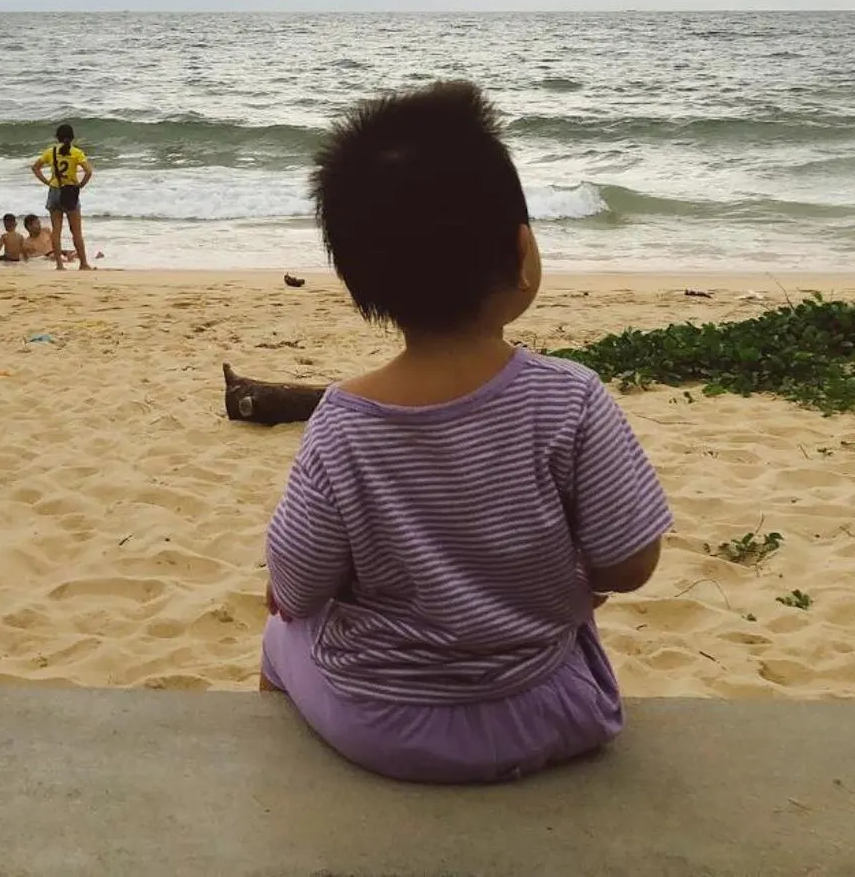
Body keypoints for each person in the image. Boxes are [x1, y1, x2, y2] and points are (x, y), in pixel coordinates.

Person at [261, 81, 672, 785]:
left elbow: (296, 587)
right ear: (522, 253)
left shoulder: (343, 424)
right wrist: (576, 585)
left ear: (361, 282)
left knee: (279, 637)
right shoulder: (570, 397)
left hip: (386, 728)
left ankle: (293, 789)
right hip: (554, 708)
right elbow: (631, 564)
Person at [30, 123, 93, 271]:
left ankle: (59, 264)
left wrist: (47, 182)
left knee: (56, 230)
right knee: (76, 231)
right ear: (72, 138)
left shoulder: (50, 152)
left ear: (57, 137)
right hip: (70, 192)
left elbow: (35, 167)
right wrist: (80, 185)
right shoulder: (76, 153)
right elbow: (88, 171)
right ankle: (83, 263)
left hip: (55, 191)